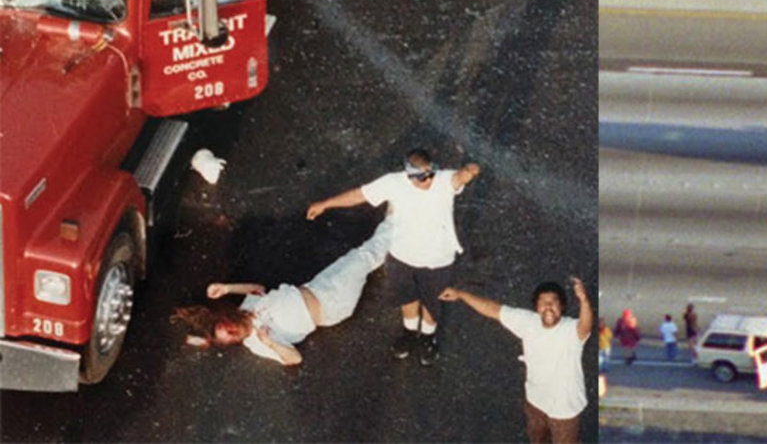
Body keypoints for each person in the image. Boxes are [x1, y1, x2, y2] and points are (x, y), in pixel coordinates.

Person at [306, 148, 480, 366]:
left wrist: (469, 171)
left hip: (438, 261)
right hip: (402, 257)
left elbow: (458, 178)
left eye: (430, 173)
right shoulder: (392, 183)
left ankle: (427, 337)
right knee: (406, 298)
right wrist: (325, 204)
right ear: (409, 175)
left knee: (432, 304)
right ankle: (409, 333)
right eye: (421, 177)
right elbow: (359, 195)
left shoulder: (444, 181)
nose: (428, 180)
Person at [172, 217, 393, 365]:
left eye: (227, 327)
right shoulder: (257, 344)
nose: (232, 331)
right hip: (332, 305)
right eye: (230, 336)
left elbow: (257, 289)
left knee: (365, 256)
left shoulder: (246, 309)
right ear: (233, 342)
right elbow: (294, 359)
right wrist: (270, 342)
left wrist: (227, 287)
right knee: (364, 257)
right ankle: (399, 220)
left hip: (317, 285)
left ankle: (395, 223)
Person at [439, 278, 592, 444]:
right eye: (543, 302)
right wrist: (461, 294)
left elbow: (586, 326)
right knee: (537, 438)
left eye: (553, 302)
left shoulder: (571, 330)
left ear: (562, 307)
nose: (548, 307)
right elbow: (493, 309)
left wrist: (583, 300)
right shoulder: (528, 322)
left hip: (565, 409)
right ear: (536, 307)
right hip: (535, 402)